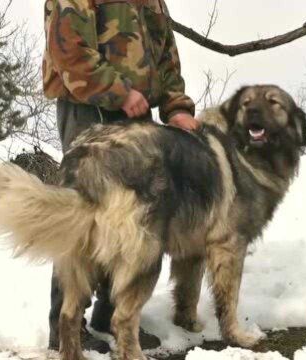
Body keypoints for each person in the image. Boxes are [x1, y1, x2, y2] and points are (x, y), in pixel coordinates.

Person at [42, 0, 199, 352]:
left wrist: (176, 108)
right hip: (89, 108)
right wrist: (119, 93)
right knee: (85, 218)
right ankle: (66, 326)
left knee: (136, 220)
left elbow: (166, 55)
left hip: (138, 114)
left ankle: (115, 315)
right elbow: (68, 50)